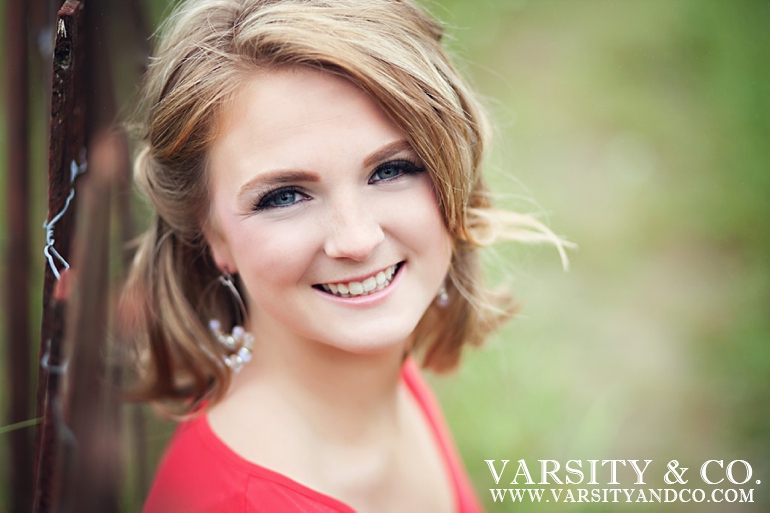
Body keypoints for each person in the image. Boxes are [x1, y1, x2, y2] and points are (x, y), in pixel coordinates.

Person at [122, 0, 568, 511]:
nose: (356, 239)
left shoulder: (376, 373)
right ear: (211, 235)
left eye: (392, 169)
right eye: (284, 195)